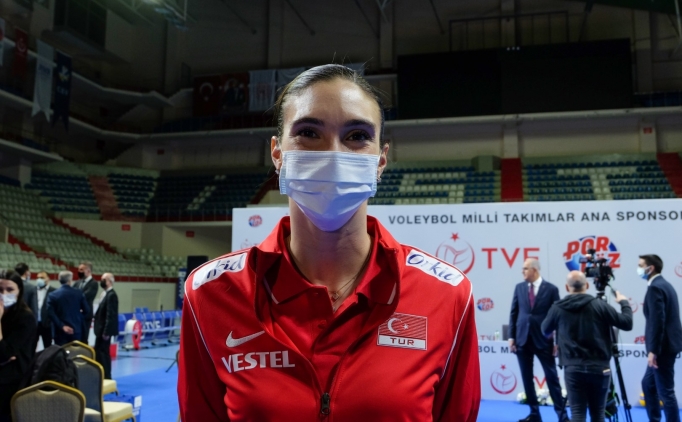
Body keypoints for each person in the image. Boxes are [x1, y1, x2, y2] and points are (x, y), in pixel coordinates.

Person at [178, 64, 481, 421]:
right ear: (277, 154)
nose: (333, 155)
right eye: (308, 132)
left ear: (381, 160)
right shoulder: (211, 294)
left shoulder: (447, 295)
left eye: (357, 135)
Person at [541, 271, 633, 422]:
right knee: (598, 414)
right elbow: (627, 323)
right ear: (587, 286)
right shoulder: (600, 305)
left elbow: (545, 330)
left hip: (573, 368)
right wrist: (624, 303)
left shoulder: (557, 308)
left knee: (578, 414)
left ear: (567, 287)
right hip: (599, 367)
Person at [509, 258, 567, 422]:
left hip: (544, 341)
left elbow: (558, 317)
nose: (522, 271)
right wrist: (512, 337)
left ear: (534, 270)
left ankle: (562, 416)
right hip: (522, 340)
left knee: (552, 378)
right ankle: (534, 414)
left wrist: (557, 342)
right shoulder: (519, 288)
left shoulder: (551, 289)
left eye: (525, 268)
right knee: (527, 379)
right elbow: (514, 313)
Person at [639, 254, 682, 422]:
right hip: (666, 346)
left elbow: (658, 322)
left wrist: (653, 351)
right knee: (648, 385)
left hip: (662, 349)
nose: (638, 269)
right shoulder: (665, 285)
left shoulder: (656, 288)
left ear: (650, 268)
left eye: (641, 265)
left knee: (666, 392)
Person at [0, 269, 36, 422]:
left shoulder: (25, 317)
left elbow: (4, 353)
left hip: (13, 380)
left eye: (10, 290)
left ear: (19, 291)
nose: (4, 294)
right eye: (0, 290)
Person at [47, 271, 91, 346]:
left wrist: (62, 326)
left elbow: (50, 313)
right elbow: (87, 310)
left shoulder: (52, 295)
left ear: (59, 280)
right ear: (70, 280)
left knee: (61, 352)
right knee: (75, 352)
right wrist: (78, 317)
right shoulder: (78, 293)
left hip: (59, 331)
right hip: (76, 330)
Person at [94, 273, 118, 380]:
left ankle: (107, 376)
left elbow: (110, 315)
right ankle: (100, 375)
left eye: (104, 279)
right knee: (98, 353)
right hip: (99, 329)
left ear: (110, 281)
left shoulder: (111, 295)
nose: (101, 281)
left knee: (104, 354)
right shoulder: (104, 294)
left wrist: (107, 332)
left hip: (104, 330)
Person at [74, 261, 97, 344]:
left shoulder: (93, 284)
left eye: (81, 270)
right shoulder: (77, 282)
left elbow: (85, 296)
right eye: (78, 269)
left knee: (83, 338)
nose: (79, 271)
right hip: (76, 315)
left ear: (88, 271)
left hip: (85, 315)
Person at [35, 271, 56, 349]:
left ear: (48, 279)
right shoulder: (33, 290)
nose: (39, 279)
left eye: (42, 277)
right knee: (31, 347)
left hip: (47, 324)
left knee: (48, 348)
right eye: (38, 278)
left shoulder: (54, 291)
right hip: (34, 324)